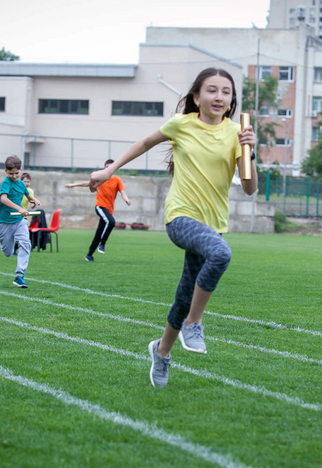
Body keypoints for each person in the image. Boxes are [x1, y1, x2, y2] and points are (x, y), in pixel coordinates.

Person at [88, 68, 257, 387]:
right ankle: (195, 323)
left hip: (212, 224)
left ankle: (161, 351)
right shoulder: (181, 124)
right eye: (211, 90)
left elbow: (249, 188)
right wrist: (110, 170)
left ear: (232, 100)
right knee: (220, 255)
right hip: (180, 217)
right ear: (197, 97)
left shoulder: (237, 133)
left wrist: (250, 151)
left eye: (226, 91)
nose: (219, 96)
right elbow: (145, 143)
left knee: (184, 294)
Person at [66, 159, 130, 262]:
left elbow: (122, 192)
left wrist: (126, 199)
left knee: (99, 232)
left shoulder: (117, 180)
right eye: (106, 167)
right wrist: (73, 185)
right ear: (104, 168)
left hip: (109, 210)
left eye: (110, 167)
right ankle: (102, 244)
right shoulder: (101, 179)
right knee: (111, 222)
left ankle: (89, 255)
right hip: (100, 207)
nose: (108, 169)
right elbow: (86, 183)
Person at [0, 155, 40, 288]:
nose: (14, 176)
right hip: (5, 221)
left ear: (20, 170)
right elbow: (3, 199)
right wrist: (19, 208)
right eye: (11, 174)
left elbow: (27, 194)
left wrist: (33, 199)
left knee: (26, 244)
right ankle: (8, 243)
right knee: (7, 252)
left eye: (16, 173)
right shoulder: (6, 183)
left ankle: (19, 276)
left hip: (20, 220)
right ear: (6, 171)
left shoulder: (21, 184)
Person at [0, 172, 34, 255]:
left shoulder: (30, 191)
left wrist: (33, 204)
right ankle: (11, 248)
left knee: (24, 239)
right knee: (9, 243)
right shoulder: (11, 185)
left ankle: (20, 265)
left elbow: (31, 201)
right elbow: (2, 197)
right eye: (25, 181)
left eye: (28, 182)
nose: (26, 183)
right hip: (11, 214)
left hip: (22, 216)